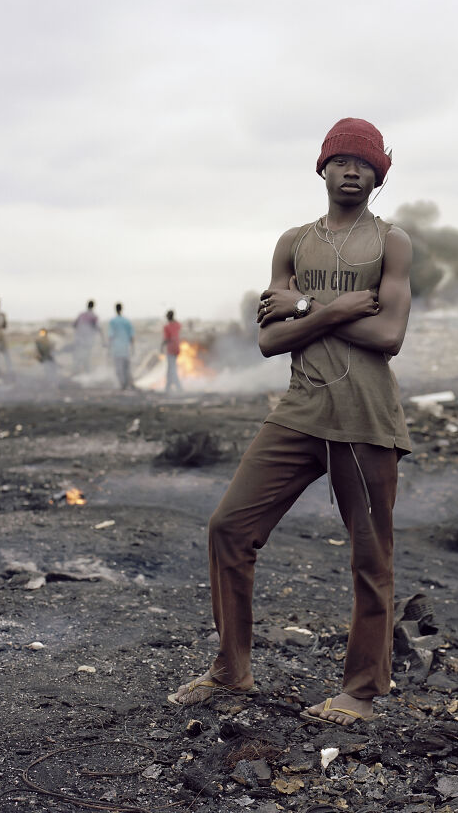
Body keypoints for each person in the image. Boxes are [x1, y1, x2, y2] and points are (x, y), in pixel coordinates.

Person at [169, 118, 412, 727]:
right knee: (229, 526)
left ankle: (360, 691)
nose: (352, 171)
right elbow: (270, 339)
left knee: (370, 557)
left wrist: (307, 308)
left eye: (365, 164)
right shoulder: (293, 244)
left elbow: (388, 336)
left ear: (379, 175)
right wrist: (329, 308)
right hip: (301, 412)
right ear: (323, 168)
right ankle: (231, 668)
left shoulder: (392, 242)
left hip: (365, 418)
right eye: (342, 161)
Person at [108, 303, 134, 389]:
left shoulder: (113, 321)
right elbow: (131, 336)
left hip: (117, 348)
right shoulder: (126, 321)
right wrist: (133, 348)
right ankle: (126, 384)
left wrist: (108, 349)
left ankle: (123, 384)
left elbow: (111, 336)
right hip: (125, 348)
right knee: (126, 368)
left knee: (119, 369)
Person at [73, 300, 102, 374]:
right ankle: (86, 372)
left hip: (79, 339)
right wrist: (102, 339)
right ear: (93, 306)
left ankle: (77, 371)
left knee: (79, 356)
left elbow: (74, 325)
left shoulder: (81, 314)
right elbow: (98, 328)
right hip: (87, 341)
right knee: (86, 356)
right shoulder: (94, 316)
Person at [161, 309, 182, 392]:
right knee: (171, 369)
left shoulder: (167, 327)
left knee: (172, 369)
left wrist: (162, 346)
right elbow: (179, 326)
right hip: (177, 348)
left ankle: (179, 387)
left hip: (171, 349)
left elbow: (166, 339)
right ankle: (168, 387)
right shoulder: (177, 325)